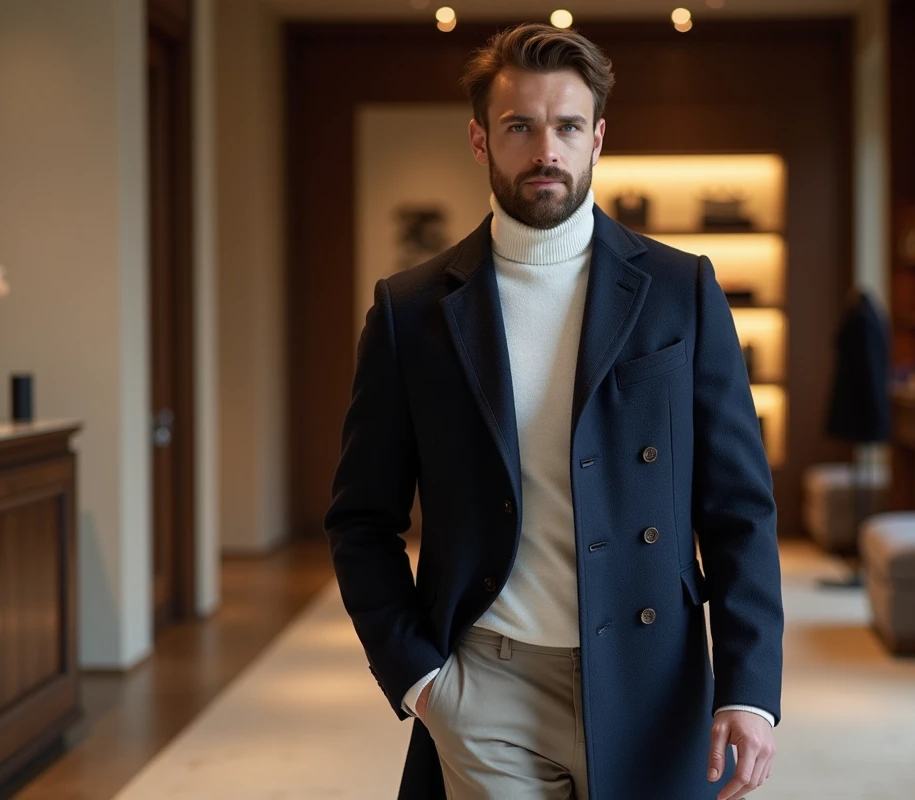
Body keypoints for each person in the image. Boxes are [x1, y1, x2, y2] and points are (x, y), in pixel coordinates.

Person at [324, 22, 784, 800]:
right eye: (520, 127)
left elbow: (738, 506)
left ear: (597, 137)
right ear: (480, 140)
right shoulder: (411, 311)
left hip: (652, 677)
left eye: (568, 126)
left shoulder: (683, 291)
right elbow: (360, 520)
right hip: (486, 683)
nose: (547, 149)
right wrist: (423, 683)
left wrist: (749, 688)